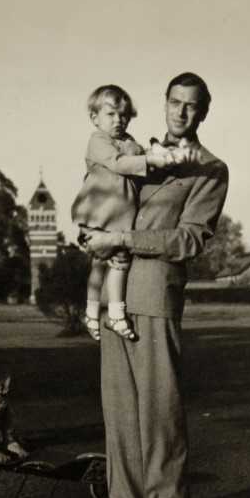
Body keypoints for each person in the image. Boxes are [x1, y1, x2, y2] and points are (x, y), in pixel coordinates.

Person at [78, 73, 229, 498]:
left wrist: (120, 239)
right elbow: (105, 199)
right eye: (174, 102)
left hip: (155, 296)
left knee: (159, 409)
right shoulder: (132, 152)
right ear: (164, 104)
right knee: (119, 407)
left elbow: (188, 239)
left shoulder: (210, 169)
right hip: (112, 295)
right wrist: (91, 232)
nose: (181, 112)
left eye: (192, 105)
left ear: (203, 112)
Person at [71, 84, 181, 343]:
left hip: (118, 216)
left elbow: (139, 153)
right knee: (108, 265)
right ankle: (112, 314)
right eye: (111, 114)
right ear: (95, 117)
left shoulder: (128, 142)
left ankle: (96, 314)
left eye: (123, 115)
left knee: (108, 263)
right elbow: (118, 163)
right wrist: (150, 160)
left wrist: (155, 152)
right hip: (101, 212)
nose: (118, 120)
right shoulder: (98, 141)